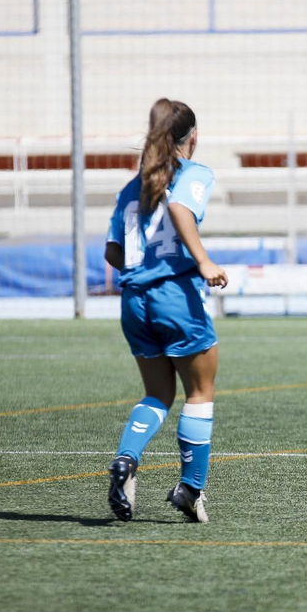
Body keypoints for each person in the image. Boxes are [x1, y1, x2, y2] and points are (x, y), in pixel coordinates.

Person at [103, 99, 228, 524]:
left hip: (133, 301)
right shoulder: (194, 173)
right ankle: (191, 488)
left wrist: (144, 273)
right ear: (192, 137)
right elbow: (179, 209)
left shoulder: (130, 187)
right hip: (176, 297)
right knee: (200, 392)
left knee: (158, 394)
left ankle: (126, 460)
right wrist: (203, 262)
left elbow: (113, 251)